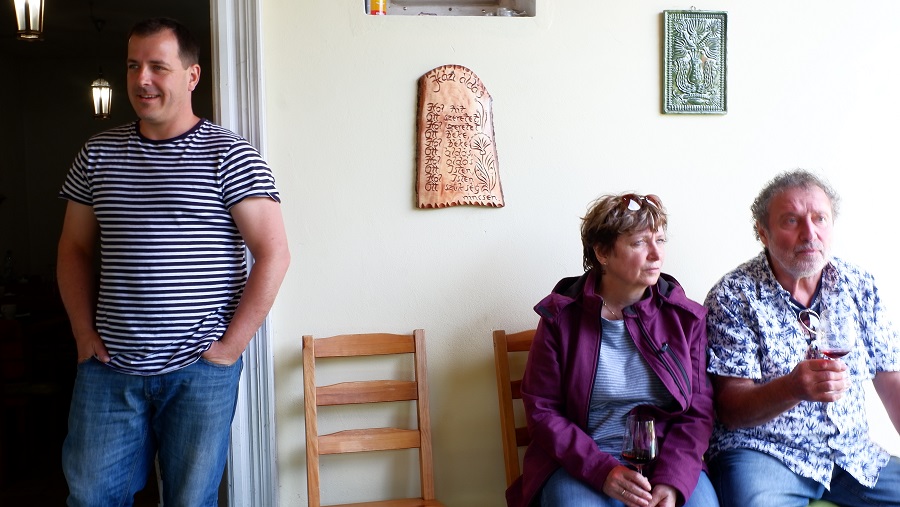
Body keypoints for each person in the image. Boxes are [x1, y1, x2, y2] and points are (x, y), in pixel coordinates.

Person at [56, 17, 291, 506]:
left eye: (157, 67)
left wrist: (230, 348)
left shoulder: (230, 155)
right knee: (91, 497)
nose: (141, 79)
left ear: (192, 75)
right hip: (108, 368)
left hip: (199, 369)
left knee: (190, 501)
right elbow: (73, 248)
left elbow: (274, 253)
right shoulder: (97, 155)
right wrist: (82, 332)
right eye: (132, 66)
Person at [507, 193, 718, 507]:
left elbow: (698, 412)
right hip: (579, 463)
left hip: (666, 461)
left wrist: (672, 480)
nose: (656, 254)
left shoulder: (686, 319)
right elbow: (542, 411)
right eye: (639, 243)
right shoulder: (560, 318)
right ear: (602, 252)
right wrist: (602, 471)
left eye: (660, 240)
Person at [704, 169, 900, 506]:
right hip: (765, 454)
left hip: (851, 455)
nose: (810, 234)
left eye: (820, 219)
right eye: (791, 221)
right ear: (762, 232)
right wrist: (792, 387)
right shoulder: (733, 295)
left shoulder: (858, 284)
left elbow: (890, 378)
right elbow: (730, 409)